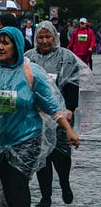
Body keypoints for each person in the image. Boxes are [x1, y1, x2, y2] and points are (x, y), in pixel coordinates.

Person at [0, 26, 80, 207]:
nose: (0, 47)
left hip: (27, 139)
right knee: (7, 186)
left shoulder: (31, 72)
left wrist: (68, 130)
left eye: (6, 43)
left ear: (16, 46)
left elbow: (52, 106)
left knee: (18, 184)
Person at [25, 20, 97, 207]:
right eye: (40, 37)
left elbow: (73, 83)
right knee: (43, 158)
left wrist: (70, 109)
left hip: (61, 116)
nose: (44, 41)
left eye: (48, 36)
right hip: (37, 117)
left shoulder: (66, 56)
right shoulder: (29, 57)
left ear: (55, 37)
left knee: (62, 156)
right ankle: (46, 197)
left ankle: (64, 183)